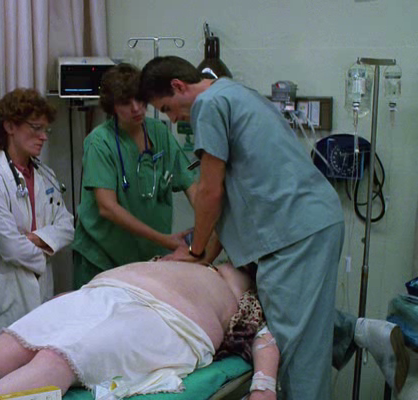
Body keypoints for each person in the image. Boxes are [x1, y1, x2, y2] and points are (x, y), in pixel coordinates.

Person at [138, 56, 345, 399]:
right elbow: (229, 200)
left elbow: (210, 192)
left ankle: (357, 334)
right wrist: (205, 255)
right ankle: (361, 331)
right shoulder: (236, 93)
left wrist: (196, 252)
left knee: (298, 354)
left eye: (167, 109)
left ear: (178, 86)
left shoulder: (208, 105)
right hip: (308, 223)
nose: (173, 119)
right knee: (307, 332)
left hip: (294, 235)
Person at [0, 260, 279, 400]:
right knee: (17, 341)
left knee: (63, 355)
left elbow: (266, 339)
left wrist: (264, 387)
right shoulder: (200, 256)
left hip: (169, 321)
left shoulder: (258, 295)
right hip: (108, 290)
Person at [72, 63, 219, 289]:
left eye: (140, 100)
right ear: (112, 107)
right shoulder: (99, 143)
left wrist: (206, 237)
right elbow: (107, 207)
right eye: (126, 103)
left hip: (149, 258)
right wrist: (166, 240)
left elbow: (193, 189)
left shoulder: (159, 133)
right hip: (103, 259)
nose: (136, 108)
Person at [0, 88, 74, 345]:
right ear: (10, 127)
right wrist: (45, 249)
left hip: (41, 286)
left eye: (46, 130)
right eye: (36, 128)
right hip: (6, 293)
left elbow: (67, 226)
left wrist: (35, 238)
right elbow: (11, 249)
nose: (43, 136)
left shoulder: (46, 175)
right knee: (1, 363)